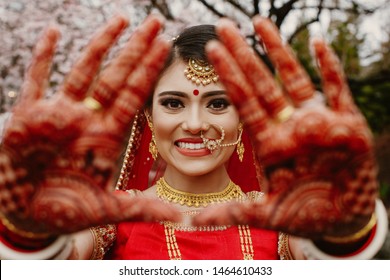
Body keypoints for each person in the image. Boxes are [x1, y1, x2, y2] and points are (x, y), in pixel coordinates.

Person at [0, 13, 387, 260]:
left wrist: (344, 231)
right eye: (173, 103)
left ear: (246, 120)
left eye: (218, 104)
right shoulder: (110, 217)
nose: (196, 123)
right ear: (148, 118)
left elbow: (326, 256)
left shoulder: (284, 220)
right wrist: (31, 229)